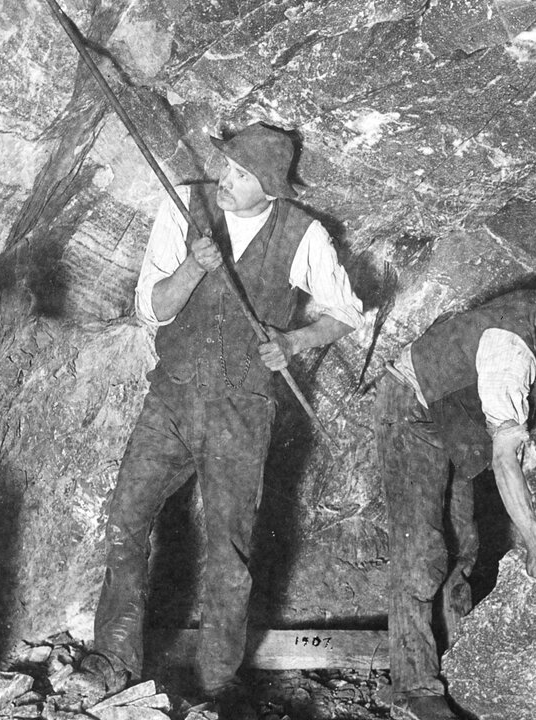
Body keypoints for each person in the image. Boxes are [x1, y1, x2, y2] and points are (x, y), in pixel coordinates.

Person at [93, 122, 367, 712]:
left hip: (243, 408)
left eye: (242, 176)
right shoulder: (185, 207)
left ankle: (217, 680)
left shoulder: (303, 232)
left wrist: (293, 343)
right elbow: (152, 309)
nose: (226, 180)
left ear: (272, 189)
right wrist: (192, 267)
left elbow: (347, 312)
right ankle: (114, 661)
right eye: (227, 167)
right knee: (126, 519)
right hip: (172, 396)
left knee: (229, 547)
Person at [377, 270, 536, 720]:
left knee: (465, 544)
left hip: (455, 414)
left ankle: (456, 659)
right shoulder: (511, 351)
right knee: (422, 550)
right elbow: (507, 461)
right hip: (412, 407)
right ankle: (415, 686)